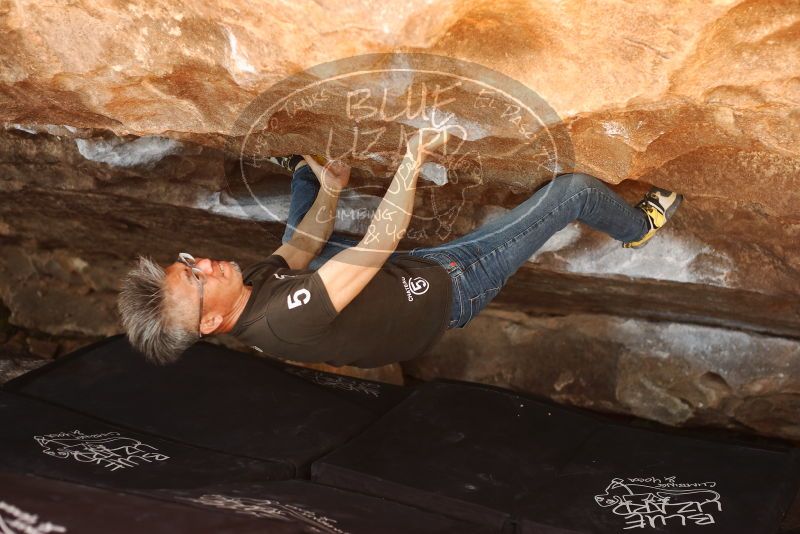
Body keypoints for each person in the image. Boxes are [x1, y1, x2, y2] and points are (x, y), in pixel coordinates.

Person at [117, 129, 683, 367]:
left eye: (187, 262)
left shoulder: (246, 291)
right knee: (573, 192)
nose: (204, 262)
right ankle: (639, 227)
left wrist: (334, 189)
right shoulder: (281, 320)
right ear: (211, 321)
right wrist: (412, 159)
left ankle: (309, 178)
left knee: (298, 234)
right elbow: (378, 240)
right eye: (196, 279)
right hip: (454, 282)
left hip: (400, 280)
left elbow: (299, 247)